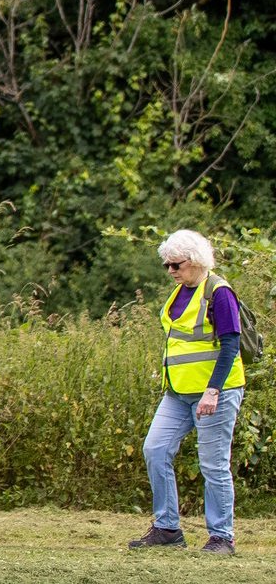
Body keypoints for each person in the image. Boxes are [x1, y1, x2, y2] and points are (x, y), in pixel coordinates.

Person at [129, 229, 245, 555]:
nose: (170, 271)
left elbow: (230, 345)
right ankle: (167, 528)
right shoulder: (180, 291)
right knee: (155, 449)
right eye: (167, 265)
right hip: (178, 392)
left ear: (194, 261)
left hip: (214, 393)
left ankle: (222, 537)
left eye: (175, 265)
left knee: (213, 465)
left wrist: (213, 390)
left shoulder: (219, 292)